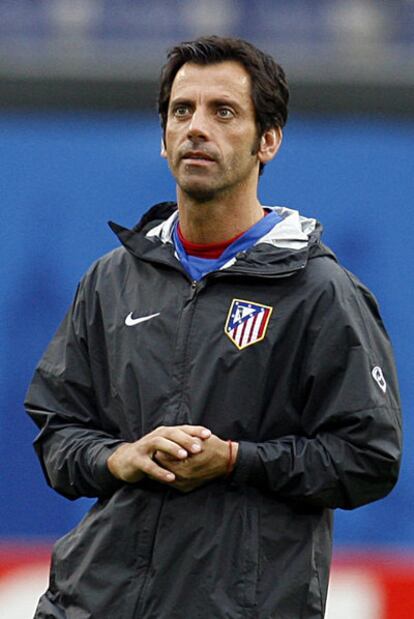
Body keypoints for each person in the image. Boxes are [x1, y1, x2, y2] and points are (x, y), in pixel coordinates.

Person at [25, 36, 402, 619]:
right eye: (182, 110)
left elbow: (367, 459)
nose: (197, 127)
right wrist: (119, 458)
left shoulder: (320, 291)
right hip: (91, 602)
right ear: (163, 136)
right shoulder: (111, 279)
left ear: (267, 141)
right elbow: (58, 433)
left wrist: (234, 459)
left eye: (223, 111)